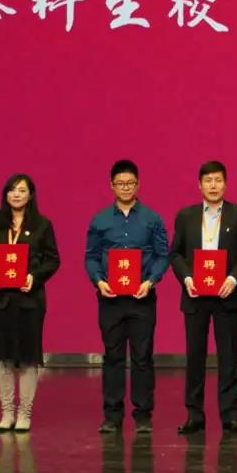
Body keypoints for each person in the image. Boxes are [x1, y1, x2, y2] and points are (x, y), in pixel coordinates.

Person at [171, 161, 237, 435]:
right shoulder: (186, 216)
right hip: (195, 295)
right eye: (208, 180)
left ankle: (229, 414)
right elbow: (176, 254)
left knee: (228, 356)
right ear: (199, 185)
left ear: (225, 184)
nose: (213, 185)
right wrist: (187, 278)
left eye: (218, 180)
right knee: (195, 356)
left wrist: (233, 279)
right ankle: (194, 414)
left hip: (226, 294)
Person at [85, 159, 170, 434]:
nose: (125, 187)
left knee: (142, 356)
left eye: (130, 183)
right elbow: (91, 257)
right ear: (111, 186)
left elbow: (163, 255)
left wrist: (151, 280)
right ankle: (112, 414)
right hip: (110, 298)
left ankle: (143, 414)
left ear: (138, 184)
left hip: (141, 298)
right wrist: (99, 281)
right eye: (120, 183)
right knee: (113, 356)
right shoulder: (100, 220)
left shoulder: (152, 219)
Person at [0, 173, 60, 432]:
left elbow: (53, 259)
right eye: (12, 190)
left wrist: (33, 278)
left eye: (22, 190)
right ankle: (7, 413)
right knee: (2, 359)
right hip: (1, 300)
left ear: (30, 195)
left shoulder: (42, 225)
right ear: (5, 194)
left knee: (27, 358)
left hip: (29, 300)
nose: (16, 194)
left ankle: (25, 413)